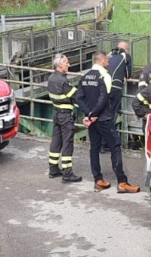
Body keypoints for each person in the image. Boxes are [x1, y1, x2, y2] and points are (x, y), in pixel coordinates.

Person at [76, 51, 140, 194]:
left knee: (94, 148)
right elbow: (104, 98)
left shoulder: (85, 76)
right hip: (104, 118)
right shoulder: (104, 76)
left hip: (93, 121)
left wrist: (88, 114)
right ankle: (122, 182)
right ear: (102, 60)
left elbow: (79, 98)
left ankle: (98, 181)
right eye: (107, 60)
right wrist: (95, 114)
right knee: (115, 147)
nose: (109, 63)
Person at [45, 54, 82, 183]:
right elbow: (75, 95)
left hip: (56, 114)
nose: (69, 64)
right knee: (67, 143)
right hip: (65, 116)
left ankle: (53, 169)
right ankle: (67, 173)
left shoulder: (51, 78)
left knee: (56, 141)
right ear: (60, 65)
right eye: (66, 62)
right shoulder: (63, 81)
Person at [107, 40, 132, 121]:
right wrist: (124, 76)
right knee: (113, 110)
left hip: (103, 85)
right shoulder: (126, 56)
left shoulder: (109, 55)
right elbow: (128, 74)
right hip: (115, 85)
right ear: (126, 50)